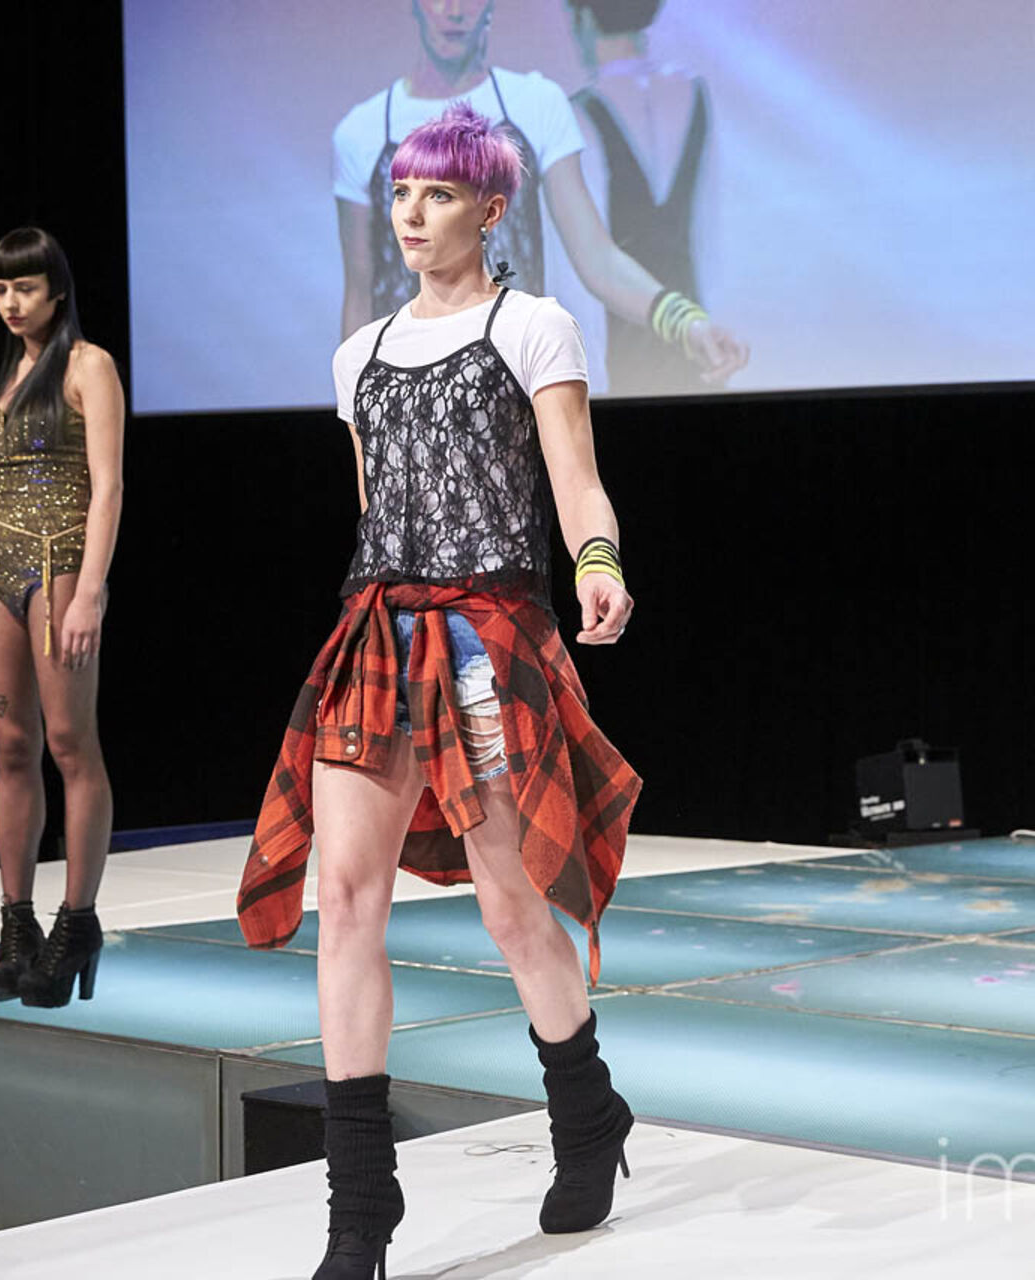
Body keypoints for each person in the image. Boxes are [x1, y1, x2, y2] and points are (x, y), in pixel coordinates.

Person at [244, 103, 643, 1279]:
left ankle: (586, 1111)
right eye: (401, 194)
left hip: (485, 637)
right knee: (346, 899)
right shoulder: (358, 352)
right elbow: (378, 510)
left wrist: (598, 563)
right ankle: (359, 1207)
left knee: (511, 904)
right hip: (377, 635)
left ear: (491, 208)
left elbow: (576, 479)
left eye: (439, 194)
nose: (412, 214)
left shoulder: (536, 325)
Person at [332, 0, 747, 389]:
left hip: (512, 387)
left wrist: (688, 324)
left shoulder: (535, 104)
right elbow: (361, 290)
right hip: (404, 396)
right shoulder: (362, 131)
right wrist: (351, 411)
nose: (455, 11)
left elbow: (597, 257)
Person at [0, 227, 125, 1008]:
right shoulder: (3, 372)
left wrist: (90, 589)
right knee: (12, 747)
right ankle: (16, 921)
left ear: (56, 288)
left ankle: (77, 920)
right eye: (0, 289)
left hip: (59, 566)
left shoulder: (89, 366)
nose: (12, 303)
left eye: (24, 287)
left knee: (69, 744)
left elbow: (108, 486)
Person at [565, 0, 714, 396]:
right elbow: (709, 230)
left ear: (584, 17)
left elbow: (588, 258)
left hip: (624, 330)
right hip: (695, 321)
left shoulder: (578, 113)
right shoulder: (694, 91)